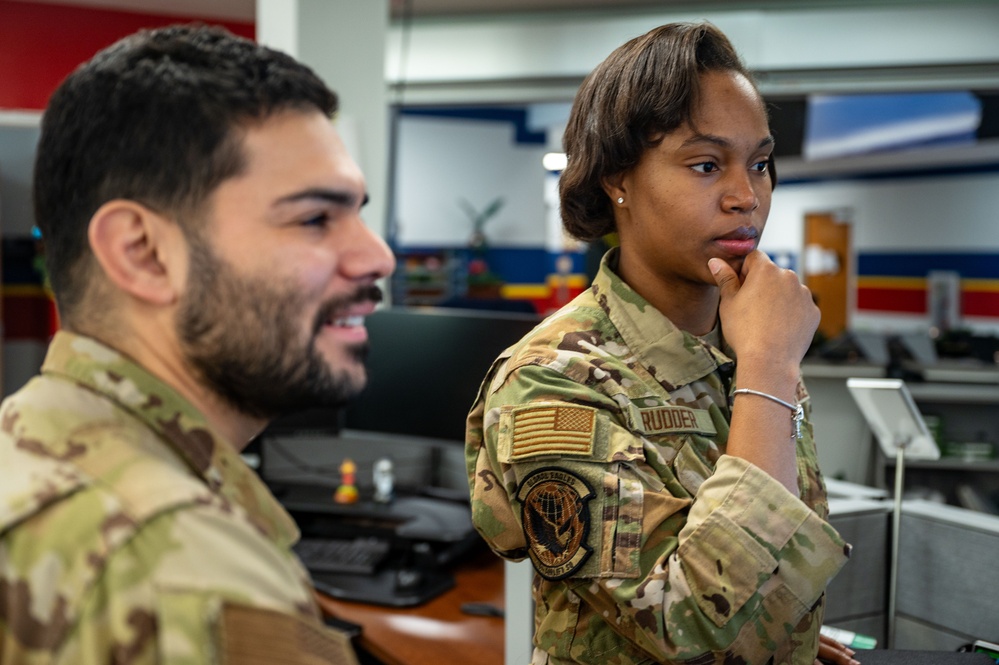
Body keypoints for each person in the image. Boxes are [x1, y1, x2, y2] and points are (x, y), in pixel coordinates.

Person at [0, 24, 394, 664]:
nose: (377, 256)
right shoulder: (181, 565)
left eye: (359, 213)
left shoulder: (26, 439)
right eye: (315, 218)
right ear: (144, 254)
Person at [466, 22, 857, 665]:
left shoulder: (740, 347)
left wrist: (784, 639)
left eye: (759, 163)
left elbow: (755, 569)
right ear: (618, 179)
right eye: (706, 165)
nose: (746, 197)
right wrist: (770, 368)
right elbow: (681, 624)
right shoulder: (553, 379)